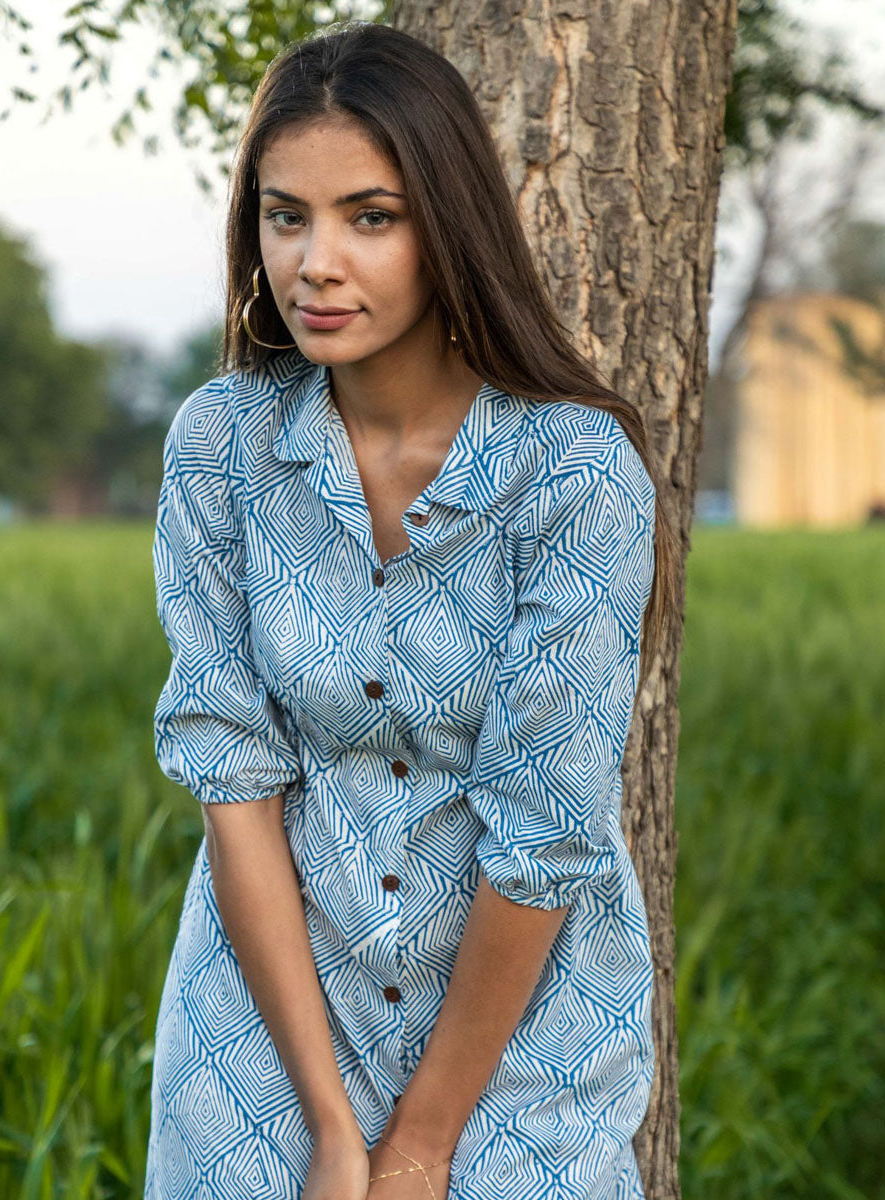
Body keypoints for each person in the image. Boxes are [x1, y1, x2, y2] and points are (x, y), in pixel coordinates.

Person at [143, 20, 677, 1200]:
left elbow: (546, 831)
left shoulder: (573, 474)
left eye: (368, 217)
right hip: (264, 1029)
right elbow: (233, 780)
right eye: (287, 216)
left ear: (448, 223)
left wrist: (424, 1144)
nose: (315, 263)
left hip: (526, 1036)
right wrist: (330, 1128)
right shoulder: (222, 447)